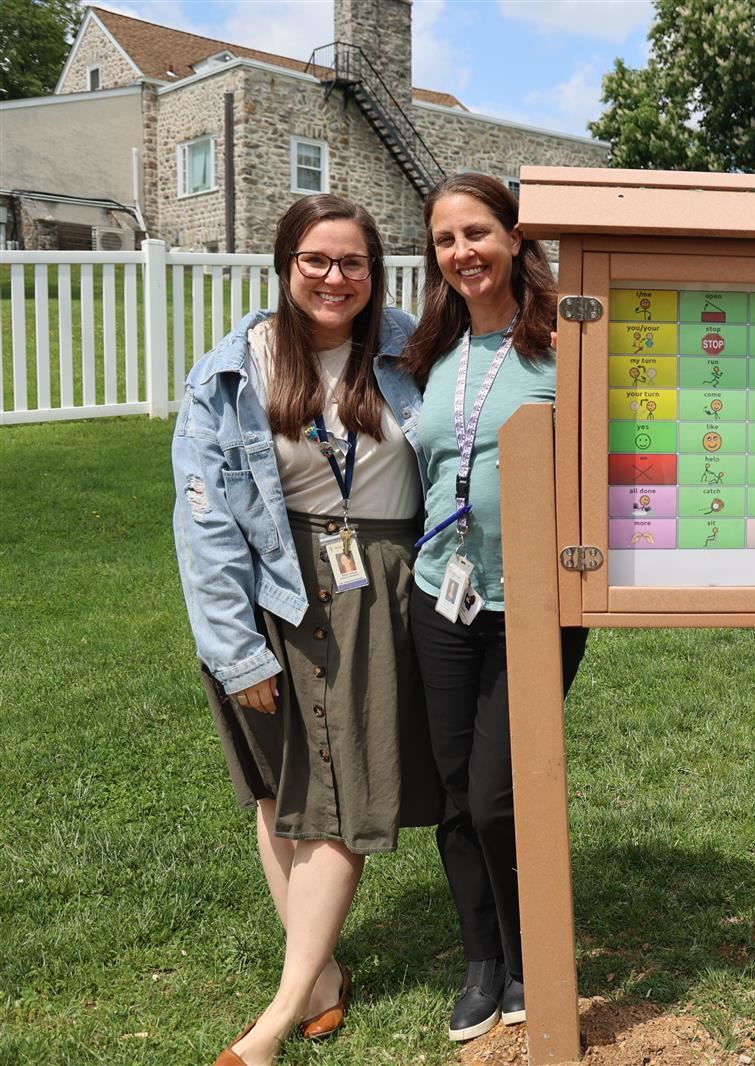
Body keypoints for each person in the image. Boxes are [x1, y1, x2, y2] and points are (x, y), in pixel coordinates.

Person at [172, 195, 439, 1066]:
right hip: (271, 587)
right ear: (285, 266)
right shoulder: (235, 369)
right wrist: (236, 647)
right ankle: (318, 980)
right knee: (280, 789)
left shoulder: (411, 349)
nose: (335, 278)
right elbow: (204, 519)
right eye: (317, 261)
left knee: (336, 799)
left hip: (378, 587)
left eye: (353, 262)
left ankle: (274, 1023)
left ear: (376, 270)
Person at [400, 173, 589, 1042]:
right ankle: (484, 961)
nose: (462, 252)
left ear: (516, 238)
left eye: (476, 233)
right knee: (452, 791)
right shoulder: (430, 353)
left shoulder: (566, 345)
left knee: (499, 793)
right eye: (445, 240)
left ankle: (530, 957)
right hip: (443, 597)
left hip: (537, 604)